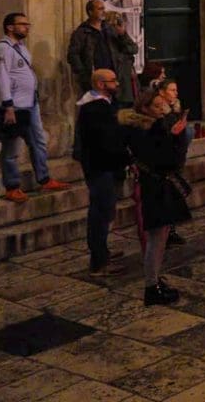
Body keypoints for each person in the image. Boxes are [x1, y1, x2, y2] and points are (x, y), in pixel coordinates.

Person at [122, 91, 191, 306]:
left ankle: (154, 279)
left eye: (163, 105)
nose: (162, 110)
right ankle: (151, 287)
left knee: (161, 234)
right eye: (157, 106)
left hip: (157, 183)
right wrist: (177, 137)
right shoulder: (145, 131)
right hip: (153, 186)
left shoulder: (151, 127)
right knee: (157, 237)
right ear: (145, 109)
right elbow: (169, 159)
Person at [0, 12, 69, 200]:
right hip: (15, 106)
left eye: (28, 24)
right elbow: (2, 77)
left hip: (30, 103)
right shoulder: (3, 48)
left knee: (38, 141)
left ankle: (44, 178)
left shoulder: (21, 47)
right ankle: (12, 186)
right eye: (22, 24)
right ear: (10, 27)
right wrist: (8, 105)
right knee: (12, 147)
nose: (27, 27)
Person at [76, 69, 129, 275]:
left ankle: (103, 251)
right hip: (99, 166)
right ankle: (98, 261)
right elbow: (106, 139)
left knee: (106, 210)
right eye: (112, 81)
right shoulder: (94, 108)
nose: (117, 84)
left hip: (105, 165)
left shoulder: (104, 105)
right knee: (100, 212)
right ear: (100, 84)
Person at [68, 0, 138, 103]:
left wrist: (122, 35)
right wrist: (83, 74)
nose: (103, 11)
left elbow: (133, 49)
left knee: (117, 108)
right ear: (90, 12)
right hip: (97, 79)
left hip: (115, 78)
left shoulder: (111, 29)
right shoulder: (82, 33)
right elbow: (73, 55)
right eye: (100, 9)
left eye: (104, 8)